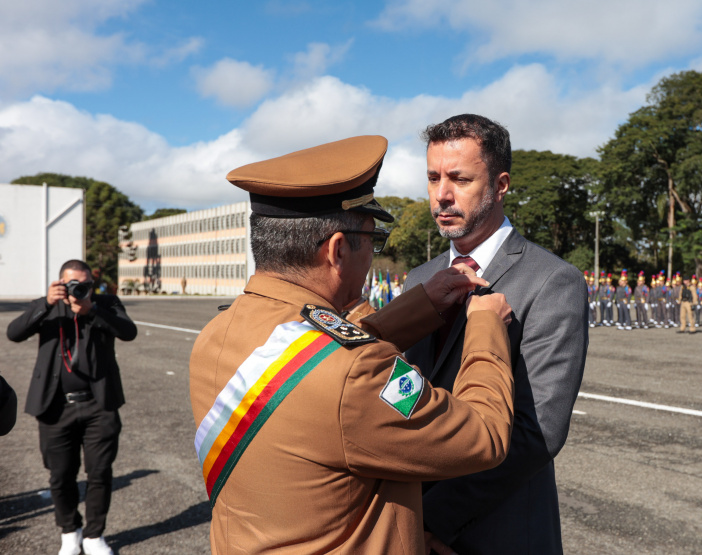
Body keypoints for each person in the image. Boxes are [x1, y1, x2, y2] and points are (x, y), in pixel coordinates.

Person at [189, 135, 516, 554]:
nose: (372, 256)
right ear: (338, 249)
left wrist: (420, 306)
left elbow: (318, 354)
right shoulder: (355, 374)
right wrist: (486, 325)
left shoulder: (216, 335)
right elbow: (483, 435)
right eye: (372, 241)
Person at [403, 114, 589, 555]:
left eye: (460, 179)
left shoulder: (552, 280)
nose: (442, 195)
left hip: (497, 529)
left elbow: (537, 431)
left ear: (501, 185)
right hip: (408, 522)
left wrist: (434, 519)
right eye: (433, 178)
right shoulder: (419, 278)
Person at [6, 259, 137, 555]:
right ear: (60, 283)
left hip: (99, 406)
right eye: (71, 284)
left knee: (100, 472)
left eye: (84, 284)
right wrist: (47, 304)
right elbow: (14, 333)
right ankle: (69, 531)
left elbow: (129, 332)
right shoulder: (48, 305)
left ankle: (94, 535)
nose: (78, 289)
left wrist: (93, 310)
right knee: (60, 474)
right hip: (55, 406)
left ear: (92, 283)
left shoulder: (106, 303)